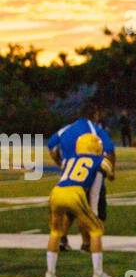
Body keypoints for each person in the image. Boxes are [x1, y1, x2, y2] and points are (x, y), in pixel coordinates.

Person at [47, 101, 116, 254]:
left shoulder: (67, 129)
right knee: (93, 210)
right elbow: (110, 150)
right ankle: (86, 243)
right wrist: (112, 171)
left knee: (70, 211)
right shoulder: (94, 129)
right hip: (90, 174)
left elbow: (51, 145)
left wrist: (60, 163)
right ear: (95, 113)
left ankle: (62, 240)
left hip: (69, 173)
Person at [45, 133, 114, 277]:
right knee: (96, 230)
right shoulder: (101, 162)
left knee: (56, 231)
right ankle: (98, 273)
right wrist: (94, 213)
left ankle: (50, 273)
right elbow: (95, 190)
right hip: (76, 194)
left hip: (56, 192)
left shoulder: (68, 160)